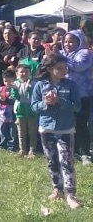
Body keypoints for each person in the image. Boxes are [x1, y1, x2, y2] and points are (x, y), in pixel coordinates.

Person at [31, 54, 82, 210]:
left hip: (66, 129)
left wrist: (60, 101)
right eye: (59, 68)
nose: (63, 71)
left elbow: (77, 106)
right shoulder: (40, 86)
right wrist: (45, 103)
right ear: (50, 69)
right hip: (46, 128)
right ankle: (57, 189)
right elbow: (34, 106)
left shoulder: (71, 85)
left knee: (66, 161)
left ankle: (71, 194)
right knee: (52, 161)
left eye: (65, 68)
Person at [61, 30, 92, 164]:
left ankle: (85, 153)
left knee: (81, 124)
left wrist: (61, 58)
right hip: (66, 95)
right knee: (68, 124)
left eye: (71, 41)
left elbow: (79, 66)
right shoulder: (63, 54)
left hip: (83, 95)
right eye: (65, 41)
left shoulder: (85, 53)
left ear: (79, 42)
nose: (67, 44)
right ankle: (71, 152)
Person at [12, 63, 38, 157]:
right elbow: (16, 97)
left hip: (31, 111)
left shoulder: (34, 83)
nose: (24, 74)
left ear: (30, 73)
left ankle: (32, 151)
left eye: (26, 72)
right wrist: (14, 90)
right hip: (20, 111)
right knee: (21, 132)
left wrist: (29, 89)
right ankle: (22, 150)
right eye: (21, 72)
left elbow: (35, 96)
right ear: (17, 73)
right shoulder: (15, 83)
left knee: (32, 132)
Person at [0, 69, 18, 152]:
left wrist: (5, 99)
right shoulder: (2, 88)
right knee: (2, 129)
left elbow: (13, 101)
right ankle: (2, 145)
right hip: (2, 113)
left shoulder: (15, 89)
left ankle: (11, 146)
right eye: (5, 81)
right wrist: (0, 99)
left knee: (12, 130)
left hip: (12, 112)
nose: (7, 83)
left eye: (10, 81)